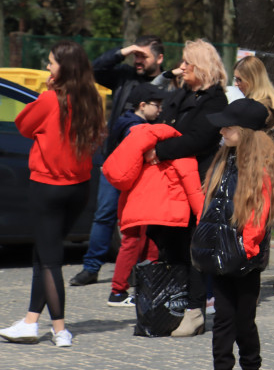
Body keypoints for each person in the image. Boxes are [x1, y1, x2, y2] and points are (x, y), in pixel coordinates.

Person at [0, 41, 105, 346]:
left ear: (64, 68)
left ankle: (59, 329)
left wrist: (45, 92)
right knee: (45, 252)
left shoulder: (49, 99)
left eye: (50, 63)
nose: (47, 67)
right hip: (79, 188)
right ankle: (30, 321)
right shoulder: (92, 100)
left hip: (48, 186)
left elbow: (23, 125)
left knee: (50, 260)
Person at [190, 99, 274, 370]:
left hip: (244, 256)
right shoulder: (225, 158)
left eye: (228, 126)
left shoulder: (259, 165)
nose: (221, 130)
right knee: (223, 318)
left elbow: (260, 210)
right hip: (221, 251)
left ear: (244, 131)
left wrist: (248, 246)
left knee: (244, 319)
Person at [145, 39, 229, 336]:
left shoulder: (216, 100)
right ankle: (172, 302)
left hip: (199, 179)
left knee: (195, 244)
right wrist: (176, 76)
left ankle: (195, 310)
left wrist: (161, 150)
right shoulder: (184, 93)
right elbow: (165, 115)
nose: (182, 67)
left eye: (187, 63)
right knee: (170, 238)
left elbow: (198, 138)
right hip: (173, 180)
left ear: (201, 66)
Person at [70, 35, 168, 287]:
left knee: (142, 221)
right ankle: (91, 267)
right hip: (116, 160)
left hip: (148, 165)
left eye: (142, 56)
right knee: (104, 214)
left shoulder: (169, 83)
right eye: (135, 55)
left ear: (159, 58)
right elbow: (95, 69)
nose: (137, 60)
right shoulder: (124, 76)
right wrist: (123, 51)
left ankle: (139, 270)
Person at [105, 83, 164, 306]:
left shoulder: (126, 122)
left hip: (131, 192)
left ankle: (138, 287)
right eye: (156, 105)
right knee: (132, 239)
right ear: (142, 105)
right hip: (135, 192)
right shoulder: (134, 128)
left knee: (142, 238)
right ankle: (118, 291)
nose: (160, 110)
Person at [231, 55, 274, 126]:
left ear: (252, 80)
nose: (236, 84)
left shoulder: (260, 108)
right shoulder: (263, 103)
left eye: (239, 79)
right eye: (235, 79)